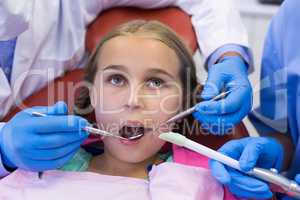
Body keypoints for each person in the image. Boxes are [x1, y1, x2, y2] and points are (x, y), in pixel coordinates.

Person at [0, 0, 252, 177]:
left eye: (155, 82)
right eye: (117, 80)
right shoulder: (36, 179)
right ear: (91, 95)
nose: (133, 101)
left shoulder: (212, 179)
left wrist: (229, 56)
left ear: (185, 101)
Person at [210, 0, 300, 199]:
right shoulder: (292, 14)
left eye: (155, 82)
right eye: (121, 79)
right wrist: (274, 152)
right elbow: (285, 135)